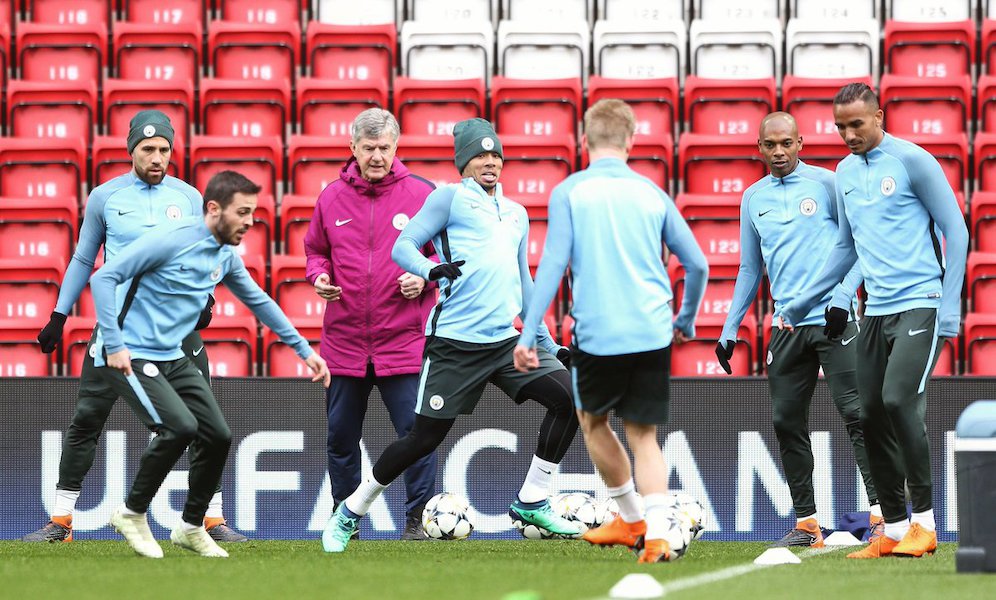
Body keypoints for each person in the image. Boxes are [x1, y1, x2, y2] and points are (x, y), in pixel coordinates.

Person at [320, 117, 580, 553]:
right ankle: (350, 511)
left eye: (495, 155)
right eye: (479, 156)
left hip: (504, 342)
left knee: (571, 399)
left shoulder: (516, 213)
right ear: (464, 163)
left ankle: (532, 500)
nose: (489, 162)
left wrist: (547, 343)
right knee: (421, 440)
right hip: (454, 345)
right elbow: (402, 246)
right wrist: (429, 270)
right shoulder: (448, 199)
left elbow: (524, 284)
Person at [25, 110, 247, 544]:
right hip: (117, 329)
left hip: (176, 327)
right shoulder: (105, 198)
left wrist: (207, 298)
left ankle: (211, 519)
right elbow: (84, 258)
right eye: (148, 149)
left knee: (205, 422)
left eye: (164, 149)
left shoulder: (188, 197)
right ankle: (62, 521)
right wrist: (59, 314)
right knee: (87, 418)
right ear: (132, 151)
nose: (157, 157)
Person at [90, 171, 330, 558]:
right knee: (179, 428)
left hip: (171, 355)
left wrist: (304, 351)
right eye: (242, 212)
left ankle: (190, 525)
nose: (250, 222)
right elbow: (105, 277)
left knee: (217, 434)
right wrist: (115, 344)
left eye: (252, 213)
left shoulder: (224, 256)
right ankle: (131, 512)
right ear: (214, 209)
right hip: (128, 354)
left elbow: (260, 301)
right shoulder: (171, 240)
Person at [778, 83, 968, 559]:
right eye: (840, 127)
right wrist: (803, 302)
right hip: (875, 311)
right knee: (870, 415)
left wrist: (950, 306)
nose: (848, 135)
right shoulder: (843, 173)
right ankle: (895, 528)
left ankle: (926, 524)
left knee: (898, 401)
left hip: (921, 303)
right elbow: (845, 247)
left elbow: (957, 230)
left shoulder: (913, 161)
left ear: (879, 117)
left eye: (857, 124)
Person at [514, 99, 708, 563]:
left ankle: (632, 519)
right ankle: (657, 533)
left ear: (584, 141)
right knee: (644, 435)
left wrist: (527, 334)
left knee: (593, 421)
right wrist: (685, 320)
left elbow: (553, 266)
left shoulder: (569, 192)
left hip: (598, 334)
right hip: (652, 330)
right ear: (631, 141)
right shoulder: (652, 193)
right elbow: (698, 264)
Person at [715, 112, 879, 547]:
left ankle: (883, 515)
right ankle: (807, 524)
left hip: (834, 321)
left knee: (858, 414)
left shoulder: (827, 184)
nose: (779, 152)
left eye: (786, 143)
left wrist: (843, 296)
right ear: (759, 148)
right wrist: (729, 328)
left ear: (800, 143)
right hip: (786, 326)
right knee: (786, 421)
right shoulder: (753, 198)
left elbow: (860, 247)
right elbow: (750, 268)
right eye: (770, 145)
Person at [303, 108, 437, 540]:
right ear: (353, 148)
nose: (377, 156)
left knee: (416, 435)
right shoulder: (330, 197)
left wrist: (425, 275)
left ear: (396, 147)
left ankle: (418, 521)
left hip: (403, 340)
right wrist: (319, 276)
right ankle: (346, 522)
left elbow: (445, 254)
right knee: (341, 440)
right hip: (344, 342)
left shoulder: (423, 195)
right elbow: (315, 251)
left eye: (384, 147)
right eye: (368, 148)